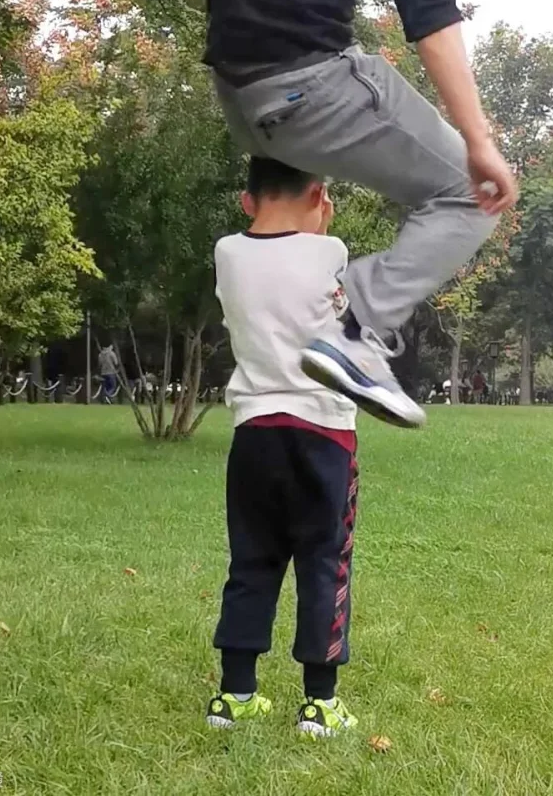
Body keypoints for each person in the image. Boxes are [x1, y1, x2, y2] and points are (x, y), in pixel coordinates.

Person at [206, 0, 518, 430]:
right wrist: (481, 141)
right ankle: (354, 330)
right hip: (304, 83)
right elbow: (426, 4)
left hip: (243, 101)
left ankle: (341, 333)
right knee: (473, 192)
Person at [207, 157, 360, 738]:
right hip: (323, 432)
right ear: (319, 196)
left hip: (254, 431)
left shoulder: (227, 253)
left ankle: (234, 696)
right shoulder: (331, 250)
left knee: (251, 560)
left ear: (246, 201)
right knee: (324, 561)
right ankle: (320, 703)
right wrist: (323, 229)